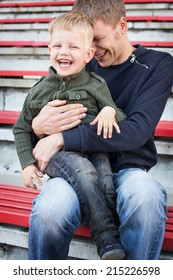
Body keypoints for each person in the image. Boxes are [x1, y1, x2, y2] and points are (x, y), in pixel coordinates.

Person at [28, 0, 173, 260]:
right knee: (50, 209)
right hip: (76, 171)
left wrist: (63, 138)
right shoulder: (79, 60)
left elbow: (136, 130)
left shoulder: (157, 64)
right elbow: (37, 113)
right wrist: (37, 126)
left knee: (146, 196)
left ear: (122, 25)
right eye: (86, 42)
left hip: (128, 170)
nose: (92, 49)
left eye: (97, 38)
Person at [13, 12, 127, 259]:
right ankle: (106, 237)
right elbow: (21, 128)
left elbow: (119, 115)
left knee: (106, 182)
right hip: (58, 154)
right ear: (49, 49)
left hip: (95, 150)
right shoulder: (40, 90)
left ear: (88, 54)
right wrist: (26, 165)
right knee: (84, 172)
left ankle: (113, 236)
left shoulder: (95, 84)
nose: (64, 52)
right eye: (58, 46)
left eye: (73, 46)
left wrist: (108, 110)